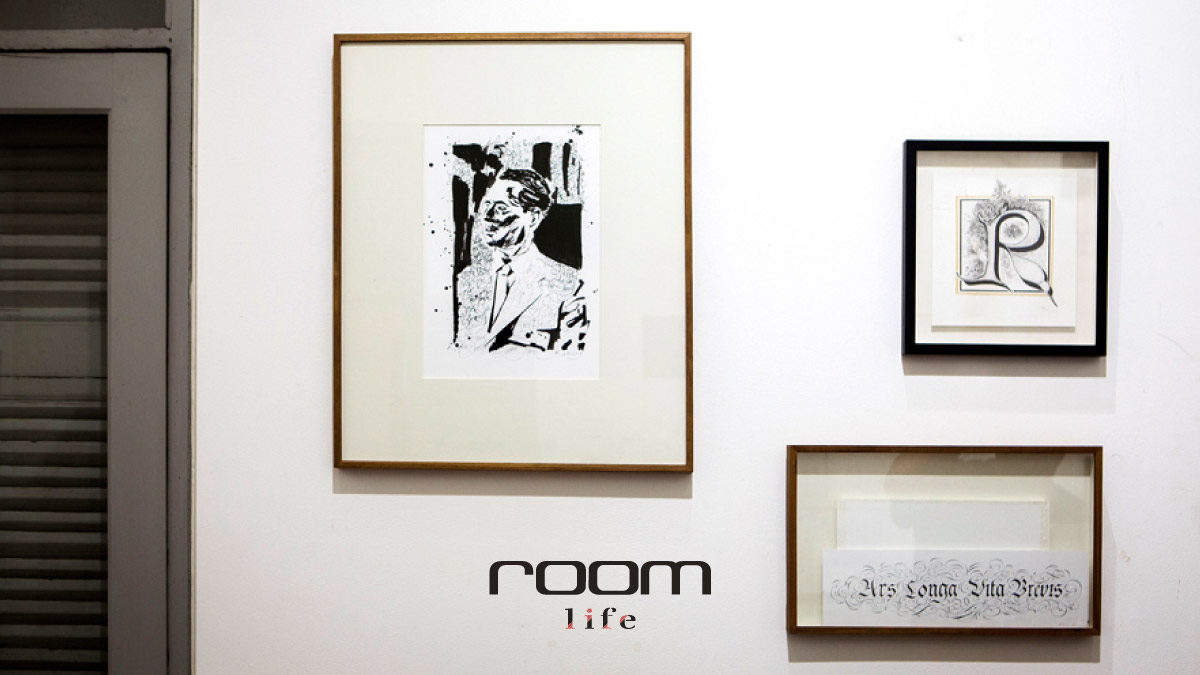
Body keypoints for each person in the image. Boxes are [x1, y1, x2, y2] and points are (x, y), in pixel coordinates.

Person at [463, 168, 585, 352]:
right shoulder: (466, 280)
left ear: (533, 218)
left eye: (501, 208)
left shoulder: (568, 286)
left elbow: (571, 359)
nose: (487, 215)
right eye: (487, 204)